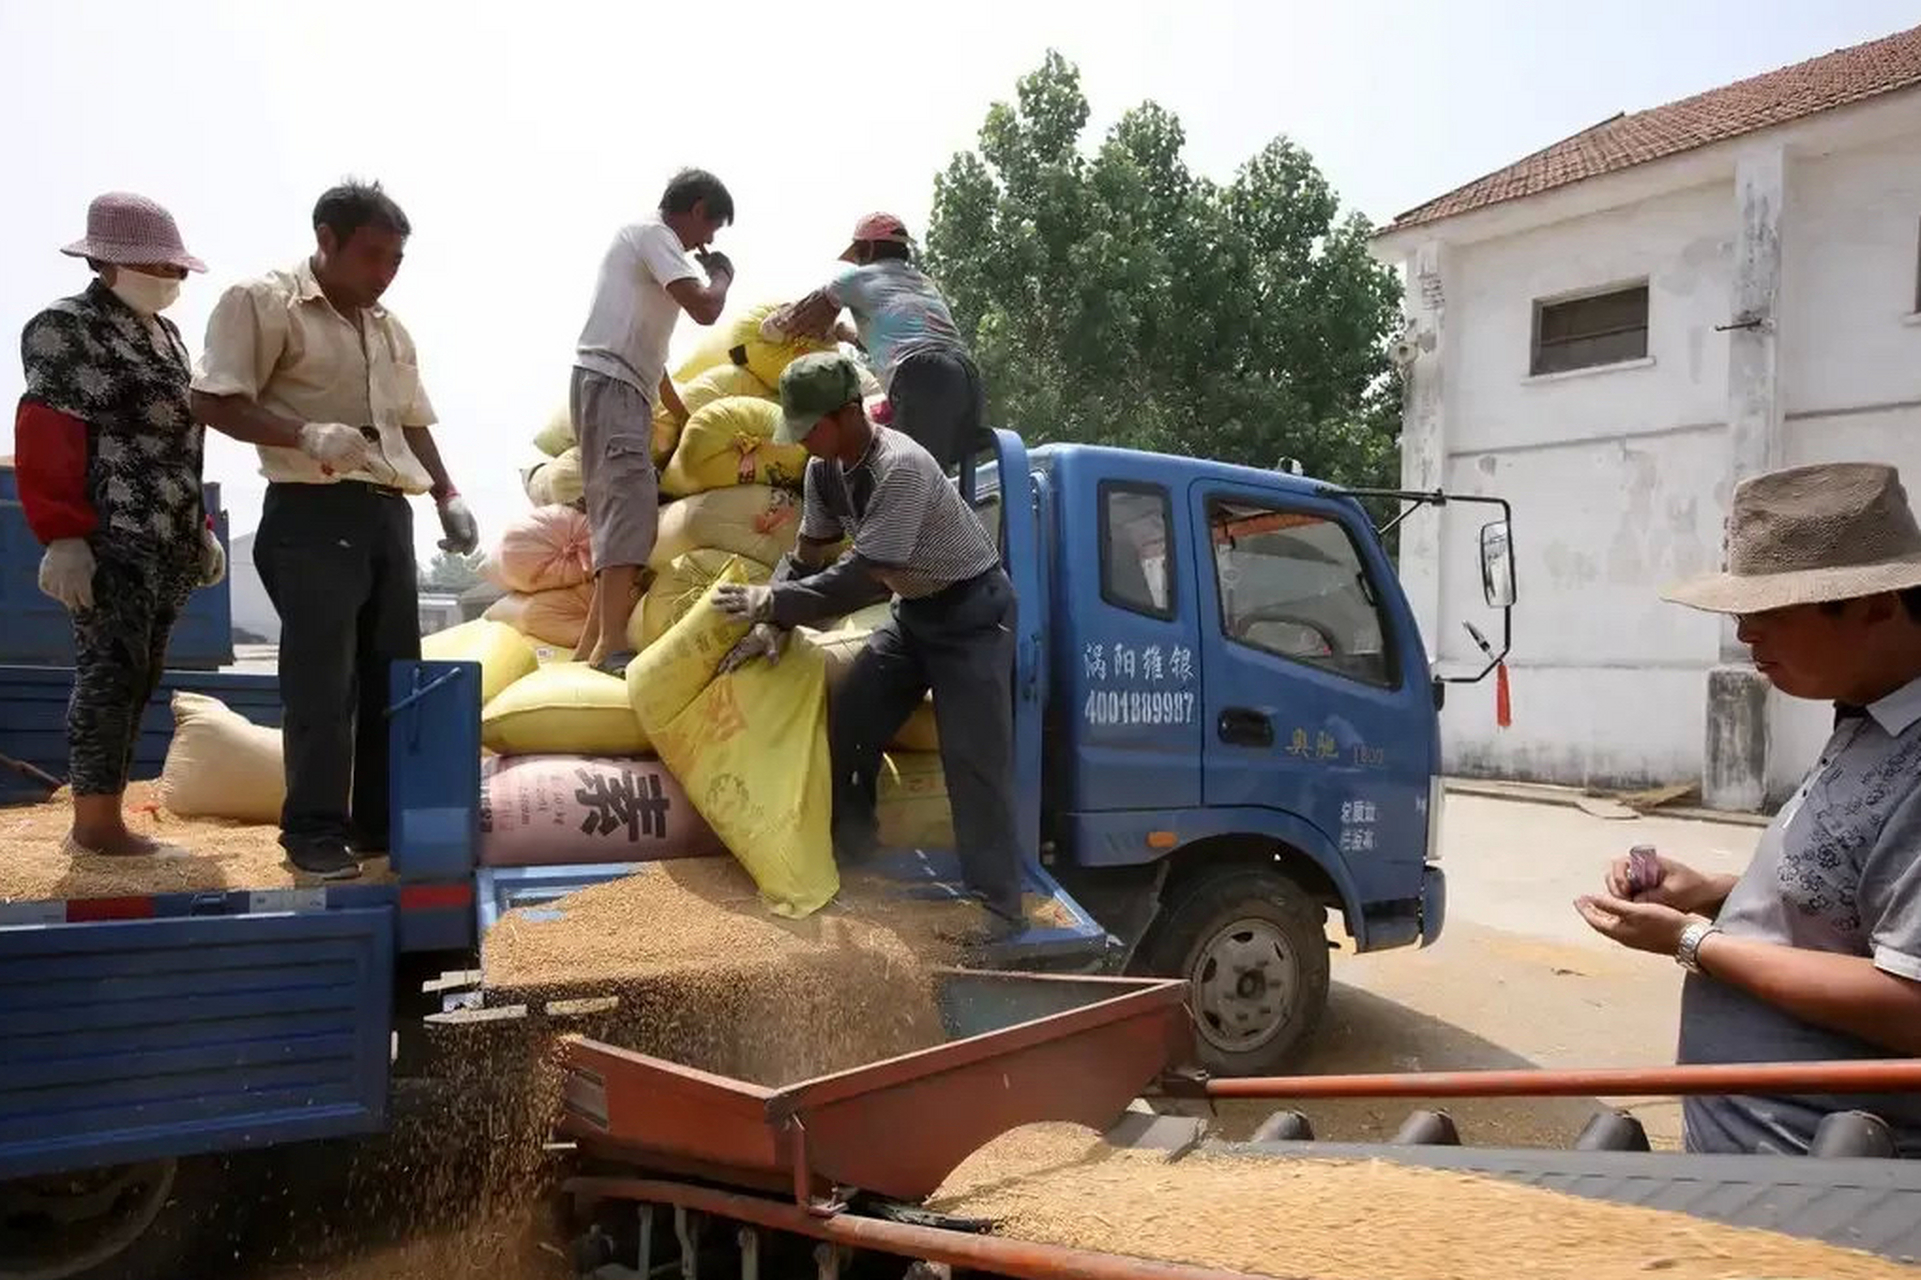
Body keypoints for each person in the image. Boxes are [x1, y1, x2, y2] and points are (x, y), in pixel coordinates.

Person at [1576, 462, 1921, 1155]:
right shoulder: (1868, 721)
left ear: (1877, 604)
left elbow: (1909, 1004)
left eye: (1768, 612)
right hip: (1763, 1150)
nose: (1746, 634)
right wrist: (1707, 894)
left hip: (1820, 1182)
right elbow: (1853, 907)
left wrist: (1691, 943)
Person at [190, 181, 477, 881]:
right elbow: (213, 398)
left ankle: (377, 827)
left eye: (395, 260)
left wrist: (446, 493)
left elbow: (411, 419)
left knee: (391, 678)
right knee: (324, 684)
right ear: (326, 239)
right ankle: (314, 833)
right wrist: (303, 432)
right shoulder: (262, 303)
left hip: (385, 511)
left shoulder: (387, 326)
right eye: (372, 256)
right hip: (312, 511)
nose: (384, 273)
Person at [713, 353, 1022, 928]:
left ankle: (999, 907)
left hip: (972, 615)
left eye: (812, 428)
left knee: (974, 760)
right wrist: (769, 623)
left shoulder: (900, 466)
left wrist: (773, 602)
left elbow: (860, 578)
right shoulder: (824, 470)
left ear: (849, 412)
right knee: (851, 721)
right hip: (916, 616)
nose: (803, 441)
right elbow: (808, 559)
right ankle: (855, 856)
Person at [13, 193, 222, 857]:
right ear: (108, 261)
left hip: (169, 536)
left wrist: (203, 526)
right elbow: (47, 431)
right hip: (111, 536)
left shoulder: (164, 335)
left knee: (142, 674)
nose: (171, 279)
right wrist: (64, 534)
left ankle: (107, 815)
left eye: (177, 268)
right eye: (157, 265)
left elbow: (180, 442)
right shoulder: (65, 327)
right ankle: (96, 827)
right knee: (109, 671)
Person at [570, 168, 737, 672]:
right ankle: (612, 648)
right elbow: (707, 311)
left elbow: (652, 355)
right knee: (631, 508)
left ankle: (591, 645)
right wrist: (724, 274)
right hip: (612, 386)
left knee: (615, 512)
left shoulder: (645, 247)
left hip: (615, 386)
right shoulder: (656, 236)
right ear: (699, 207)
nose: (706, 242)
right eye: (712, 228)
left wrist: (684, 414)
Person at [764, 213, 981, 471]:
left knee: (913, 479)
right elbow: (893, 336)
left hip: (922, 377)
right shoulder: (922, 283)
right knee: (936, 475)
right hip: (967, 378)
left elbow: (799, 318)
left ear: (866, 248)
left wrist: (772, 324)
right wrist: (844, 332)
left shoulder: (854, 279)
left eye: (857, 254)